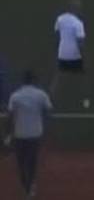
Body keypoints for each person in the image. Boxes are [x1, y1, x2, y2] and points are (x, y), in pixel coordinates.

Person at [6, 70, 52, 200]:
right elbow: (48, 112)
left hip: (19, 135)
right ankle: (30, 186)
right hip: (35, 134)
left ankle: (26, 185)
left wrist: (8, 134)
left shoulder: (15, 96)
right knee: (32, 162)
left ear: (23, 81)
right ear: (34, 80)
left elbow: (10, 117)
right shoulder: (41, 94)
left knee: (21, 163)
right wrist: (46, 128)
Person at [50, 0, 88, 108]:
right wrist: (85, 57)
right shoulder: (78, 23)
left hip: (62, 53)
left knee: (59, 78)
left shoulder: (60, 19)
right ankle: (85, 103)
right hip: (75, 54)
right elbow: (80, 43)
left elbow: (56, 36)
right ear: (76, 9)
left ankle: (51, 101)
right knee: (82, 78)